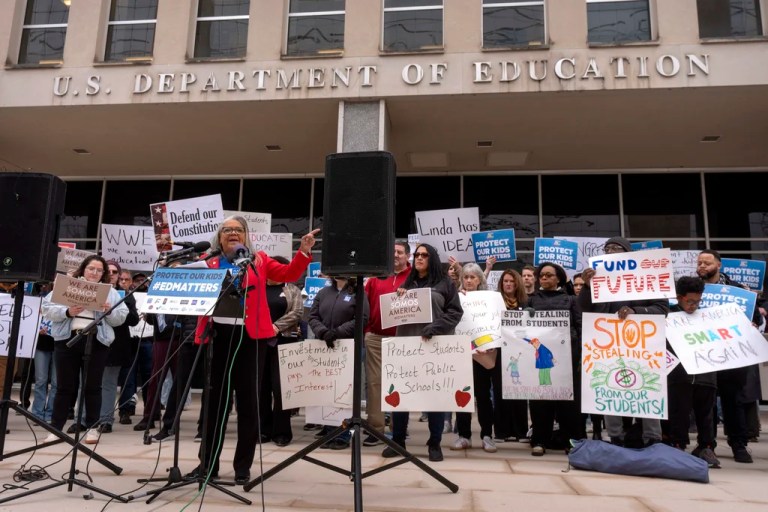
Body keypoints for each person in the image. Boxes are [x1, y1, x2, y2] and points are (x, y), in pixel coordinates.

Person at [190, 216, 317, 483]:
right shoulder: (208, 261)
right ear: (220, 235)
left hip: (250, 339)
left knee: (249, 404)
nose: (233, 233)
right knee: (214, 406)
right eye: (228, 230)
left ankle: (242, 467)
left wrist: (303, 251)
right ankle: (207, 466)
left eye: (238, 229)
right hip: (217, 336)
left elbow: (289, 274)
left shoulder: (259, 262)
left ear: (247, 235)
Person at [578, 236, 669, 449]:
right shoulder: (598, 278)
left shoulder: (648, 276)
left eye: (616, 248)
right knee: (610, 387)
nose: (610, 251)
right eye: (607, 248)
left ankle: (652, 439)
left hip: (641, 345)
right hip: (608, 344)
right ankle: (616, 437)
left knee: (647, 388)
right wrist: (588, 287)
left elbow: (663, 309)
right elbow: (584, 309)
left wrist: (636, 311)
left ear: (628, 253)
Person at [381, 243, 463, 462]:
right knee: (401, 395)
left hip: (433, 347)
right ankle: (398, 440)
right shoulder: (407, 283)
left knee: (434, 396)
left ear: (432, 258)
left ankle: (434, 443)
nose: (418, 258)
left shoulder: (444, 284)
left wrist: (434, 328)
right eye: (416, 255)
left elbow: (455, 312)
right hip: (406, 347)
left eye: (424, 255)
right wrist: (398, 299)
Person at [41, 255, 128, 444]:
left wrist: (109, 311)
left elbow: (121, 317)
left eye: (99, 270)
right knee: (64, 386)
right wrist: (67, 312)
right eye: (91, 269)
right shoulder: (68, 285)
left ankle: (92, 428)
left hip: (97, 341)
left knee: (93, 386)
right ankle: (55, 428)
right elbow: (47, 308)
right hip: (68, 339)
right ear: (83, 269)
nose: (94, 273)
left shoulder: (111, 292)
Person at [696, 249, 759, 463]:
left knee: (733, 402)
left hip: (731, 357)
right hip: (703, 355)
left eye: (707, 263)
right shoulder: (693, 288)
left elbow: (756, 318)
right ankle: (707, 445)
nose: (702, 266)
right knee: (706, 403)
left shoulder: (738, 291)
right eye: (699, 263)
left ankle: (738, 445)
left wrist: (753, 324)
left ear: (719, 265)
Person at [527, 262, 584, 456]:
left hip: (567, 356)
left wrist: (580, 353)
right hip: (542, 357)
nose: (544, 278)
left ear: (558, 278)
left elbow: (580, 326)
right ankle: (540, 440)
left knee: (568, 403)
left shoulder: (570, 300)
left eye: (549, 275)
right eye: (541, 275)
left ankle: (571, 441)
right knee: (540, 399)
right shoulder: (531, 300)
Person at [308, 275, 369, 449]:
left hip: (348, 347)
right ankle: (329, 431)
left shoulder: (359, 293)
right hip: (325, 347)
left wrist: (337, 332)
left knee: (344, 392)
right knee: (328, 390)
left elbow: (362, 318)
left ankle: (343, 435)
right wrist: (323, 332)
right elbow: (312, 316)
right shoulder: (323, 292)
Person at [665, 276, 720, 468]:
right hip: (679, 375)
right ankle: (678, 445)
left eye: (698, 301)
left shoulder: (708, 317)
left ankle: (706, 446)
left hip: (706, 375)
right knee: (679, 412)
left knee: (706, 414)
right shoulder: (668, 316)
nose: (693, 306)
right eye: (689, 301)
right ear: (679, 297)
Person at [363, 240, 411, 447]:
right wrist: (366, 332)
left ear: (407, 256)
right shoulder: (375, 278)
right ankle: (375, 429)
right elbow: (365, 305)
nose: (395, 255)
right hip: (376, 337)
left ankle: (399, 429)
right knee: (374, 383)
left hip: (404, 338)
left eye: (399, 252)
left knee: (403, 384)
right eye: (392, 252)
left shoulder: (415, 277)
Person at [452, 263, 499, 453]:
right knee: (462, 395)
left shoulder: (491, 298)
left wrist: (488, 346)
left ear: (480, 279)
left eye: (473, 277)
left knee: (483, 395)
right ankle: (464, 435)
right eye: (466, 277)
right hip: (462, 353)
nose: (469, 280)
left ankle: (487, 435)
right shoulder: (456, 298)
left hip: (483, 353)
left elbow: (496, 322)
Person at [259, 255, 304, 447]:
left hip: (283, 342)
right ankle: (263, 430)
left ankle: (282, 432)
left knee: (281, 389)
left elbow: (297, 312)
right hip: (259, 343)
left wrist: (274, 327)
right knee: (261, 388)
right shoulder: (257, 287)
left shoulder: (292, 289)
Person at [99, 262, 139, 433]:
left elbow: (134, 320)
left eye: (115, 272)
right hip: (93, 341)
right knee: (87, 383)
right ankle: (85, 418)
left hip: (115, 345)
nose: (111, 274)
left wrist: (116, 311)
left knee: (109, 383)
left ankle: (105, 420)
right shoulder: (93, 289)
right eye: (107, 271)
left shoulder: (125, 295)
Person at [496, 269, 530, 443]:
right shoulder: (495, 302)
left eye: (511, 281)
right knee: (501, 392)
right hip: (500, 351)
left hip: (520, 352)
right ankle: (501, 431)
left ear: (517, 283)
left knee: (519, 391)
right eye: (505, 281)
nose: (508, 284)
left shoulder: (526, 302)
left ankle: (520, 431)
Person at [31, 282, 56, 424]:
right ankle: (37, 413)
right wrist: (36, 327)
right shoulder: (42, 299)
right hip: (42, 343)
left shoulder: (68, 301)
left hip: (59, 344)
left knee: (56, 382)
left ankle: (51, 413)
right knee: (41, 380)